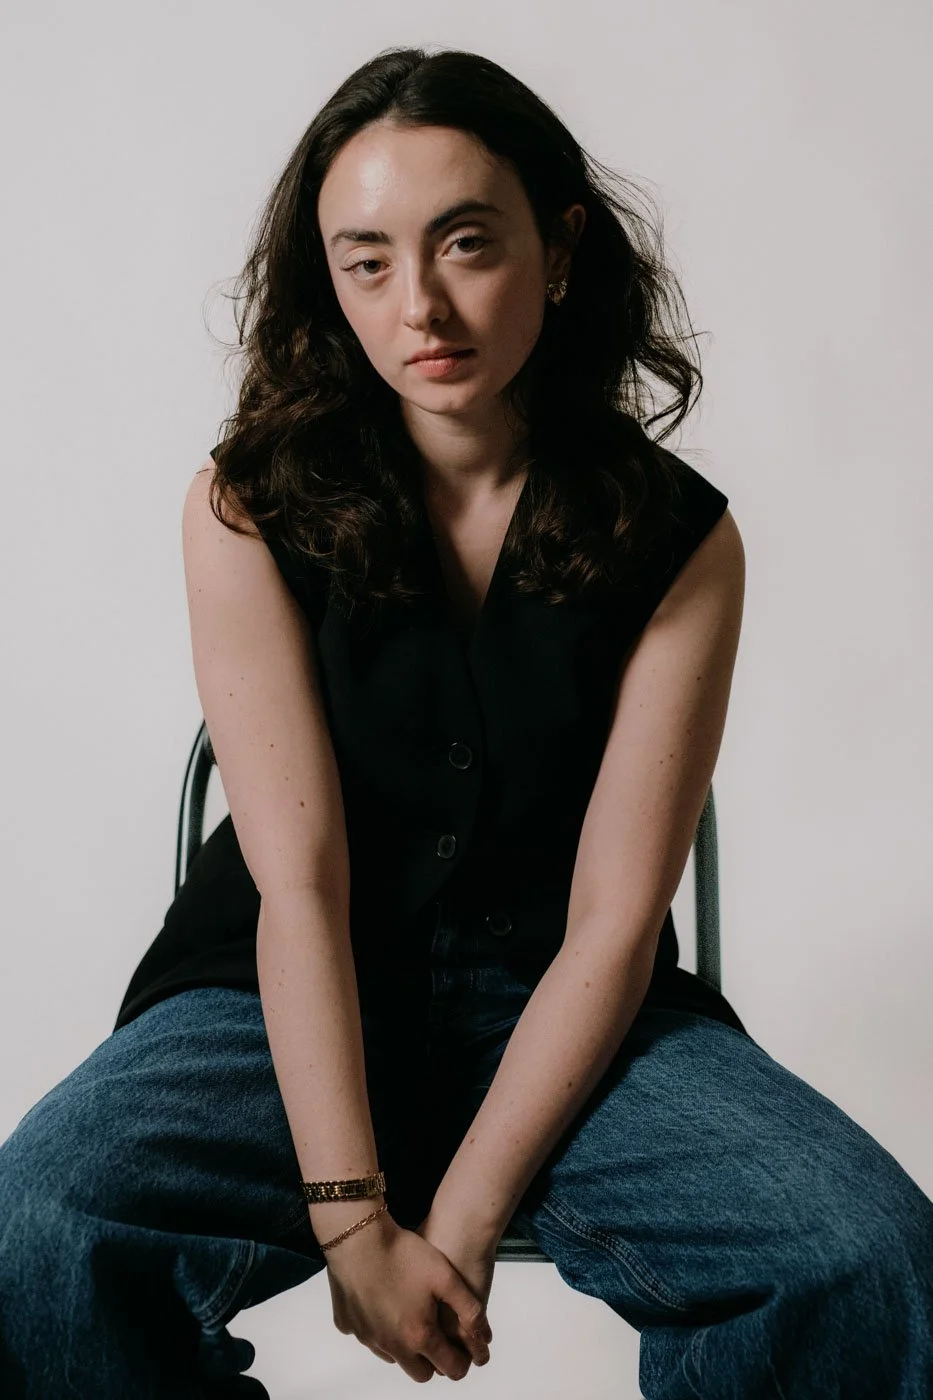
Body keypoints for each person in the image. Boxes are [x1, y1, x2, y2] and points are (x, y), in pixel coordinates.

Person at [1, 43, 931, 1400]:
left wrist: (464, 1216)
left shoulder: (679, 539)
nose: (420, 304)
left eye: (467, 243)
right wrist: (350, 1218)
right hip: (274, 1002)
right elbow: (300, 886)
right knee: (37, 1227)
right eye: (368, 261)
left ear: (560, 250)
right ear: (328, 282)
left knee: (866, 1254)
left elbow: (614, 921)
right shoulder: (246, 505)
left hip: (564, 1009)